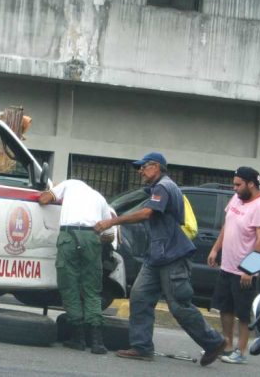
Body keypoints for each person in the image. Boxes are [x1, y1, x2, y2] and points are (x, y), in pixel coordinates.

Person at [95, 152, 226, 366]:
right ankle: (142, 347)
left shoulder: (164, 187)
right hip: (156, 256)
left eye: (143, 167)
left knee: (179, 305)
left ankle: (214, 342)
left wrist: (112, 222)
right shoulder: (156, 188)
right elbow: (141, 203)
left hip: (173, 255)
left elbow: (147, 213)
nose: (140, 171)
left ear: (156, 166)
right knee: (139, 297)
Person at [207, 167, 260, 365]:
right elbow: (227, 225)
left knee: (243, 312)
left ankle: (241, 350)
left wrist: (249, 269)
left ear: (251, 183)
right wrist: (215, 249)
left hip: (247, 270)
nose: (234, 188)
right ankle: (227, 345)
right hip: (227, 265)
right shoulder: (237, 198)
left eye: (238, 184)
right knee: (225, 307)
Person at [39, 179, 115, 354]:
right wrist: (92, 241)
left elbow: (44, 200)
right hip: (92, 237)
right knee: (92, 290)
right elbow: (110, 236)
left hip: (69, 236)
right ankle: (97, 342)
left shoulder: (69, 184)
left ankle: (78, 338)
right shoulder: (100, 198)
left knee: (69, 286)